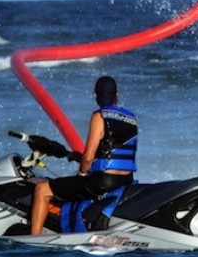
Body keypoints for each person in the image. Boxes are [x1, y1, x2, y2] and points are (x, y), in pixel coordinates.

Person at [29, 76, 138, 235]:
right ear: (117, 94)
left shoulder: (99, 116)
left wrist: (81, 173)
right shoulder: (131, 118)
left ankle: (33, 239)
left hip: (103, 182)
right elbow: (113, 152)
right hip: (126, 181)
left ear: (95, 96)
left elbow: (88, 157)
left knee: (42, 189)